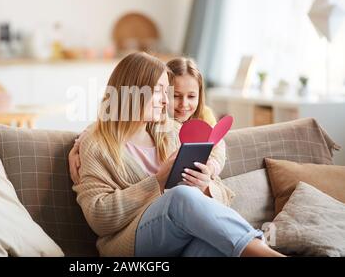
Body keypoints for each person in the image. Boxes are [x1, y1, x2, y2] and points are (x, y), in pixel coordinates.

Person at [71, 52, 285, 257]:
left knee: (218, 245)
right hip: (129, 244)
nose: (166, 102)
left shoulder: (172, 132)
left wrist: (206, 187)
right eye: (159, 92)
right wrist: (158, 181)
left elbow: (222, 192)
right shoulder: (96, 144)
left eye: (167, 93)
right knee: (179, 196)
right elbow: (99, 217)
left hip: (183, 242)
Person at [69, 56, 225, 185]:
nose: (183, 104)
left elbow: (217, 143)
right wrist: (78, 146)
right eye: (175, 95)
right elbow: (106, 125)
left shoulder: (202, 116)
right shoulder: (154, 120)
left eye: (191, 96)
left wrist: (211, 168)